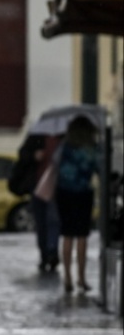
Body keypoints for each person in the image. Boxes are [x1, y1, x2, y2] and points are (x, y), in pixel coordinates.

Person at [53, 115, 98, 294]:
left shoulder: (65, 146)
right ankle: (81, 277)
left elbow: (54, 164)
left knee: (67, 234)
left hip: (64, 193)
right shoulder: (92, 148)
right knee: (82, 235)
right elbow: (99, 168)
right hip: (83, 194)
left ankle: (67, 278)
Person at [13, 133, 61, 271]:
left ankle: (52, 252)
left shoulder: (62, 140)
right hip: (37, 186)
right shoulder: (36, 138)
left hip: (56, 186)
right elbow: (23, 155)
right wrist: (34, 156)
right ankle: (45, 254)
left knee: (53, 220)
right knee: (41, 223)